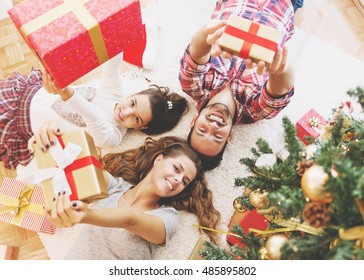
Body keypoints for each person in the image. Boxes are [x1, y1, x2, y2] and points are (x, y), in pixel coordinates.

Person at [44, 136, 221, 260]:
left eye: (184, 181)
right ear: (158, 160)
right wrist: (51, 137)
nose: (177, 180)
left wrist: (87, 216)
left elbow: (129, 220)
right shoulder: (114, 186)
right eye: (176, 169)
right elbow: (79, 164)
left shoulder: (168, 218)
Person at [0, 54, 187, 169]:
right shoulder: (113, 93)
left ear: (143, 127)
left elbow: (93, 117)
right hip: (25, 94)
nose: (126, 112)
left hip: (17, 125)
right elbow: (112, 61)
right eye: (132, 103)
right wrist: (116, 27)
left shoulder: (113, 136)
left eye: (136, 118)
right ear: (133, 94)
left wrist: (66, 93)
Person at [179, 0, 296, 170]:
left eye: (202, 130)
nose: (213, 126)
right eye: (217, 137)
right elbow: (281, 91)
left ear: (194, 121)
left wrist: (209, 34)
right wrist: (279, 70)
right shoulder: (253, 111)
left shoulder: (193, 86)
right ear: (230, 136)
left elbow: (196, 49)